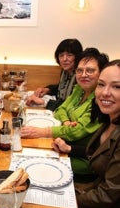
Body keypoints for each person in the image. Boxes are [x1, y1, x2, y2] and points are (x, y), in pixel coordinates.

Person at [53, 60, 120, 208]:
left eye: (116, 87)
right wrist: (70, 149)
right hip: (100, 201)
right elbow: (98, 154)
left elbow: (107, 195)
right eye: (102, 84)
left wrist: (68, 202)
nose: (105, 92)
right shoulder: (110, 120)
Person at [22, 48, 109, 176]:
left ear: (102, 73)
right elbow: (61, 109)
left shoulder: (100, 100)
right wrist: (67, 121)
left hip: (83, 158)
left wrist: (42, 131)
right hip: (63, 144)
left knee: (34, 162)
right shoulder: (80, 88)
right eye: (80, 70)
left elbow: (76, 132)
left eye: (90, 70)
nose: (83, 74)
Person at [26, 38, 83, 110]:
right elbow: (61, 88)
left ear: (77, 56)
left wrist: (44, 102)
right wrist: (47, 89)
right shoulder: (65, 71)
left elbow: (72, 106)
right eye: (61, 55)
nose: (64, 59)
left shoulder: (81, 76)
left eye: (69, 55)